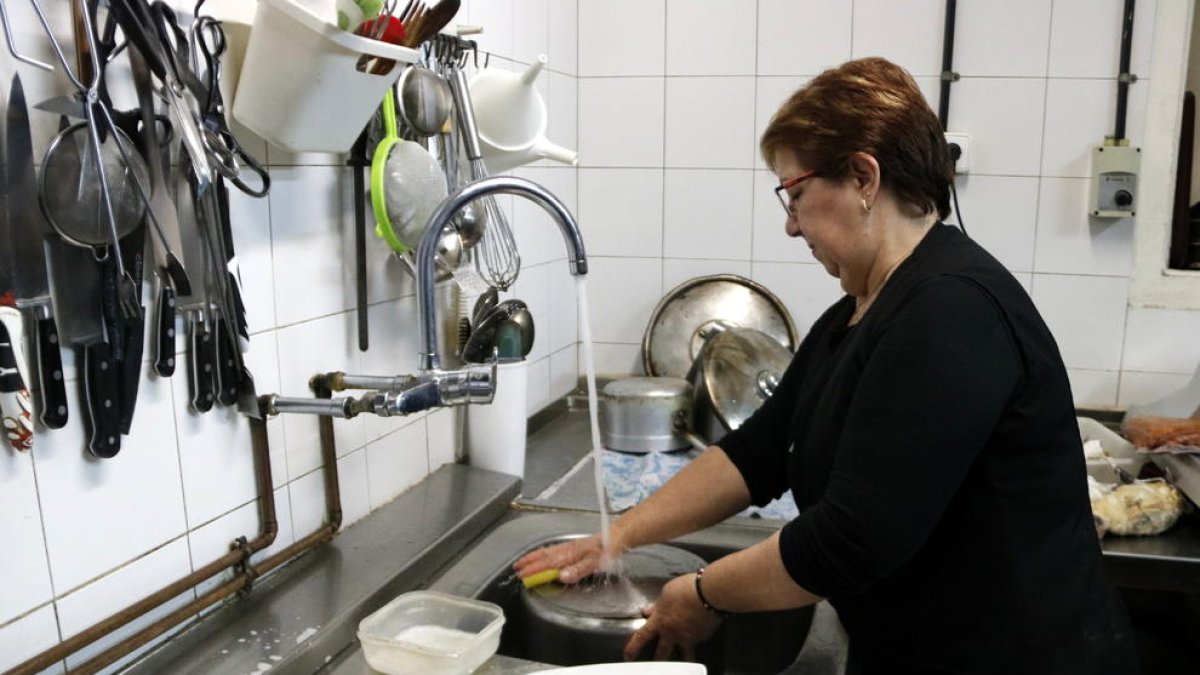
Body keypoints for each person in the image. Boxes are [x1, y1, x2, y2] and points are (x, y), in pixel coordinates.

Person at [515, 57, 1140, 674]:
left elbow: (850, 542)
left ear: (864, 178)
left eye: (796, 193)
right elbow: (757, 453)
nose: (790, 225)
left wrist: (702, 592)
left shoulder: (951, 311)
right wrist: (619, 537)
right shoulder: (865, 308)